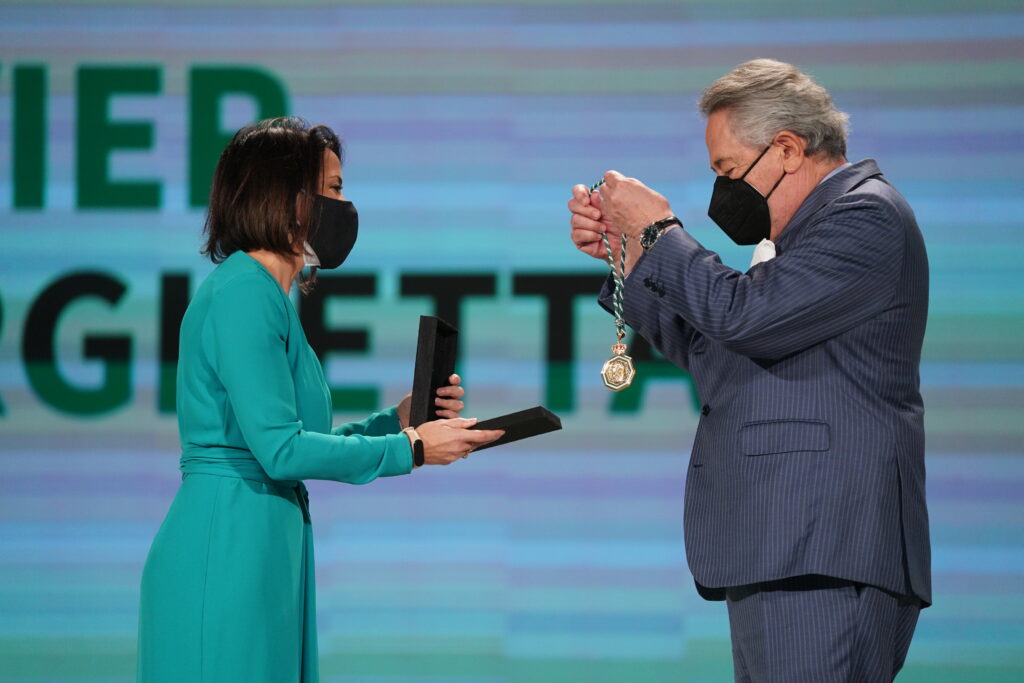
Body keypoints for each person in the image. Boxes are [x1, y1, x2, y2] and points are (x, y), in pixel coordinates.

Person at [568, 59, 930, 681]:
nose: (721, 191)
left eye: (728, 170)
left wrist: (658, 231)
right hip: (782, 548)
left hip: (823, 550)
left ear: (787, 149)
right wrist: (628, 253)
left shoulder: (864, 216)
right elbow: (719, 349)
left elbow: (741, 317)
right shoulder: (796, 243)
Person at [137, 117, 503, 682]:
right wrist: (411, 449)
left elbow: (299, 439)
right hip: (226, 544)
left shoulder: (270, 296)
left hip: (265, 542)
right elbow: (281, 450)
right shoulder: (242, 293)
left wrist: (398, 422)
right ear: (285, 194)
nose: (343, 203)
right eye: (331, 188)